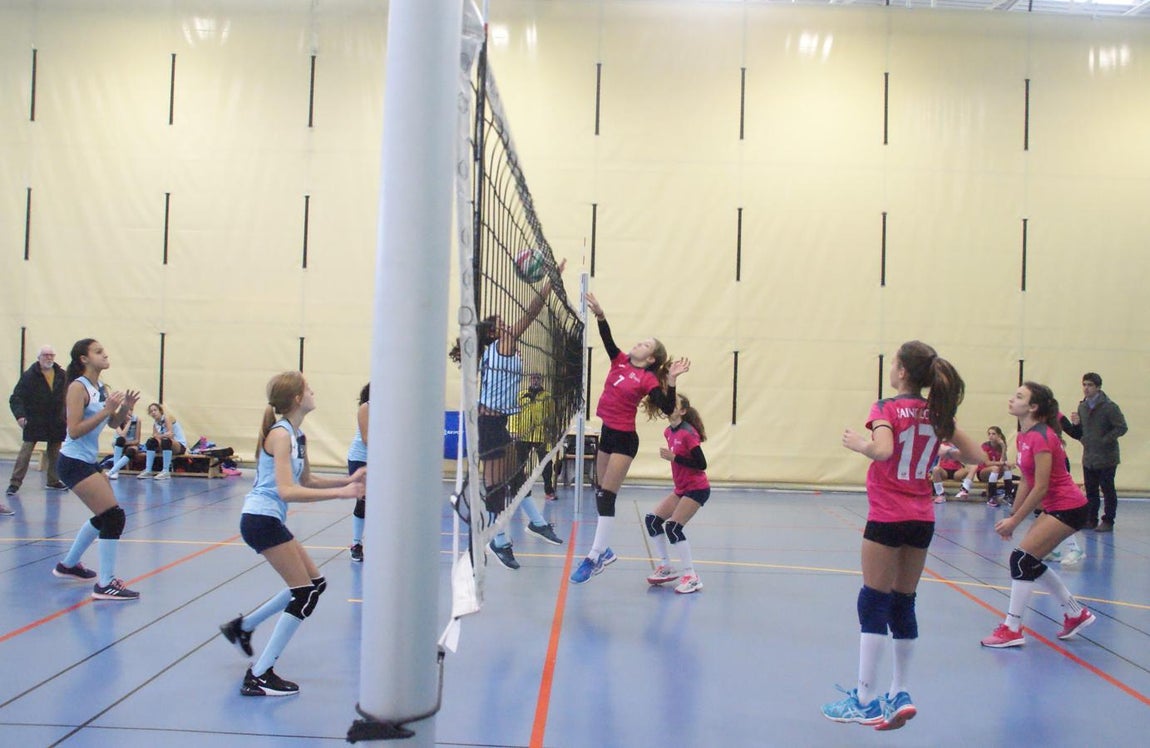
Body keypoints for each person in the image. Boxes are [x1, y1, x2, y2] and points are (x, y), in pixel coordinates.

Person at [822, 340, 982, 731]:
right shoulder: (938, 413)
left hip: (888, 515)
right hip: (922, 518)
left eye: (895, 363)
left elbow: (883, 450)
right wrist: (943, 450)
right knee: (903, 602)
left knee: (873, 601)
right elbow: (978, 456)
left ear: (903, 371)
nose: (892, 369)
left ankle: (864, 701)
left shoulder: (886, 408)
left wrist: (860, 444)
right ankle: (900, 691)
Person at [218, 371, 365, 696]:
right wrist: (342, 495)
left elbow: (307, 481)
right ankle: (259, 674)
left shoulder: (298, 435)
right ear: (298, 398)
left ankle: (243, 627)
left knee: (315, 585)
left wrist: (348, 480)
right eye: (309, 389)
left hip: (269, 519)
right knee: (304, 593)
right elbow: (287, 491)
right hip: (260, 519)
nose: (314, 392)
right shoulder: (280, 435)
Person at [450, 261, 567, 571]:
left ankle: (536, 523)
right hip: (488, 424)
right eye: (501, 323)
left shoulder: (502, 351)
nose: (507, 325)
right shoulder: (503, 345)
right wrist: (548, 285)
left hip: (497, 422)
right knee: (496, 487)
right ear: (494, 332)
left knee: (515, 477)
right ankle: (498, 540)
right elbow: (530, 314)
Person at [569, 292, 687, 585]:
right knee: (600, 492)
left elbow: (667, 407)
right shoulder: (619, 361)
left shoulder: (647, 380)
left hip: (624, 439)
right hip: (607, 433)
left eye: (646, 345)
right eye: (641, 341)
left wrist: (672, 381)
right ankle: (605, 551)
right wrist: (600, 314)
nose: (639, 343)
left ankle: (594, 556)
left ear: (651, 358)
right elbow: (607, 339)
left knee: (608, 496)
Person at [980, 382, 1095, 648]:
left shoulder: (1042, 437)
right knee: (1028, 561)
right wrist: (1012, 514)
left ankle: (1012, 628)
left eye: (1019, 397)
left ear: (1033, 407)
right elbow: (1026, 480)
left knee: (1021, 560)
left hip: (1069, 506)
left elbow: (1041, 486)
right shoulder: (1024, 436)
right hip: (1057, 506)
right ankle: (1076, 613)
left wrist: (1015, 521)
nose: (1012, 399)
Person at [52, 338, 142, 599]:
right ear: (84, 359)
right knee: (114, 517)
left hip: (88, 460)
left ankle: (68, 565)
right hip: (73, 461)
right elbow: (74, 430)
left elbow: (113, 423)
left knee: (105, 516)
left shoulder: (101, 387)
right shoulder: (77, 388)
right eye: (98, 352)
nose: (105, 355)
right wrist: (106, 410)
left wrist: (124, 409)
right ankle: (105, 583)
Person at [644, 394, 710, 595]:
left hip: (697, 488)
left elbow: (701, 464)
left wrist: (675, 458)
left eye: (674, 404)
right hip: (681, 488)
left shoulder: (688, 433)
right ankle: (666, 567)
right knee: (652, 521)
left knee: (673, 527)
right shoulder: (668, 431)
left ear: (682, 411)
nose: (669, 406)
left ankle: (691, 577)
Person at [1060, 372, 1126, 533]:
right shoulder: (1082, 406)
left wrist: (1105, 439)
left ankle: (1108, 520)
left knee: (1108, 489)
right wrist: (1076, 426)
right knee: (1091, 490)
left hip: (1107, 457)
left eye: (1090, 385)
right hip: (1089, 456)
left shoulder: (1110, 407)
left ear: (1098, 387)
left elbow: (1122, 427)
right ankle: (1091, 519)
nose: (1086, 388)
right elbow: (1081, 431)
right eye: (1084, 385)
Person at [7, 345, 69, 501]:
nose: (49, 358)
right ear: (39, 357)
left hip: (56, 420)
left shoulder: (61, 374)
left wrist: (67, 416)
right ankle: (15, 483)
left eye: (51, 355)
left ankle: (53, 480)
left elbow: (68, 396)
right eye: (45, 355)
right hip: (35, 419)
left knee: (55, 452)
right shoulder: (29, 376)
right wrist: (20, 416)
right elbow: (16, 398)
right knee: (26, 451)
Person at [513, 372, 557, 501]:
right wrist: (514, 430)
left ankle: (549, 491)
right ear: (529, 380)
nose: (535, 381)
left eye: (538, 378)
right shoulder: (521, 395)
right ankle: (518, 489)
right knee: (519, 464)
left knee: (546, 463)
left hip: (541, 435)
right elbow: (515, 414)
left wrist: (551, 431)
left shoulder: (547, 396)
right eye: (533, 378)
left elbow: (551, 415)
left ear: (541, 380)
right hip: (523, 435)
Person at [136, 402, 188, 480]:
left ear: (160, 411)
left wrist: (158, 436)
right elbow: (154, 436)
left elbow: (170, 434)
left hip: (179, 445)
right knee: (151, 441)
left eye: (155, 410)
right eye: (151, 411)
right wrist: (156, 437)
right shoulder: (155, 424)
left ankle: (166, 471)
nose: (153, 412)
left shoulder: (167, 418)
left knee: (166, 440)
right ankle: (148, 470)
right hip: (166, 444)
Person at [347, 383, 369, 562]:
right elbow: (366, 438)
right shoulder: (366, 408)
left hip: (383, 459)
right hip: (361, 459)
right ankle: (356, 544)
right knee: (364, 500)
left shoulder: (394, 409)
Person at [971, 426, 1016, 507]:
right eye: (989, 434)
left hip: (996, 471)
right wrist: (1003, 463)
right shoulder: (985, 445)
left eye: (993, 434)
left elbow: (1003, 460)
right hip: (983, 473)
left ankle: (1008, 495)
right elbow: (987, 463)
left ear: (999, 436)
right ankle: (991, 497)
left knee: (1006, 468)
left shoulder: (1001, 446)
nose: (990, 436)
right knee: (996, 468)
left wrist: (1003, 447)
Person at [105, 406, 141, 480]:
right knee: (120, 439)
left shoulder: (137, 420)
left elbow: (137, 440)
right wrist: (129, 423)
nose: (129, 412)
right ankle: (115, 472)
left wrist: (130, 421)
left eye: (131, 410)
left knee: (131, 450)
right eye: (127, 410)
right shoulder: (117, 420)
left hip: (131, 443)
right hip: (120, 443)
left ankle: (112, 471)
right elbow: (122, 435)